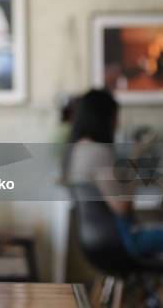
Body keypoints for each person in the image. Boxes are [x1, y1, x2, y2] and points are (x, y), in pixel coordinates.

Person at [66, 89, 163, 257]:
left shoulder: (78, 149)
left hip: (95, 241)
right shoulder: (97, 151)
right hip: (122, 241)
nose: (117, 123)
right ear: (103, 118)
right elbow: (122, 208)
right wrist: (135, 158)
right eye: (115, 117)